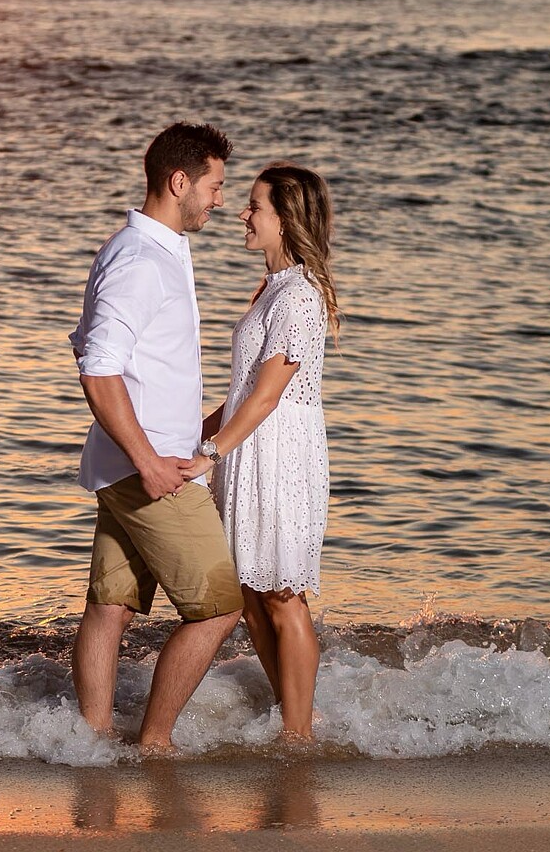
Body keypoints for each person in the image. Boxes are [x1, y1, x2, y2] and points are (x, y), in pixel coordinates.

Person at [69, 123, 243, 749]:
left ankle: (89, 743)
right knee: (221, 608)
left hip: (134, 462)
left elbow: (136, 364)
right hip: (152, 472)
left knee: (110, 606)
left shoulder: (154, 250)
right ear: (180, 182)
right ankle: (155, 745)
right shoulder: (141, 260)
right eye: (215, 186)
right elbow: (97, 362)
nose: (221, 200)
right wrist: (147, 458)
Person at [182, 163, 339, 741]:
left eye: (256, 207)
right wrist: (191, 436)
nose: (243, 215)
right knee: (249, 596)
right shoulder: (271, 289)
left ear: (286, 220)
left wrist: (210, 454)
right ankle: (291, 711)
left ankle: (299, 734)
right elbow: (245, 389)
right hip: (248, 446)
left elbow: (270, 393)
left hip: (280, 456)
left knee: (281, 594)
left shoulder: (299, 295)